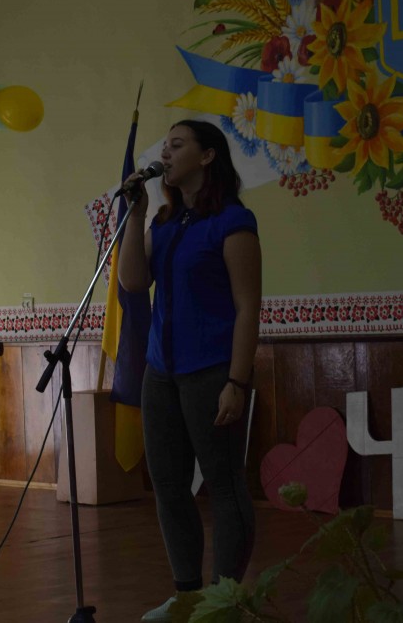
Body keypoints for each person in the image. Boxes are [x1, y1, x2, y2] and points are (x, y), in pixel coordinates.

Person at [118, 119, 262, 622]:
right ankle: (186, 598)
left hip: (213, 371)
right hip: (161, 373)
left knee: (223, 485)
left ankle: (225, 601)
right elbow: (133, 282)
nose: (165, 153)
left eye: (177, 145)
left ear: (207, 156)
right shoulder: (164, 222)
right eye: (164, 146)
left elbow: (248, 307)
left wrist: (237, 382)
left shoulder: (233, 221)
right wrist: (136, 215)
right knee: (168, 485)